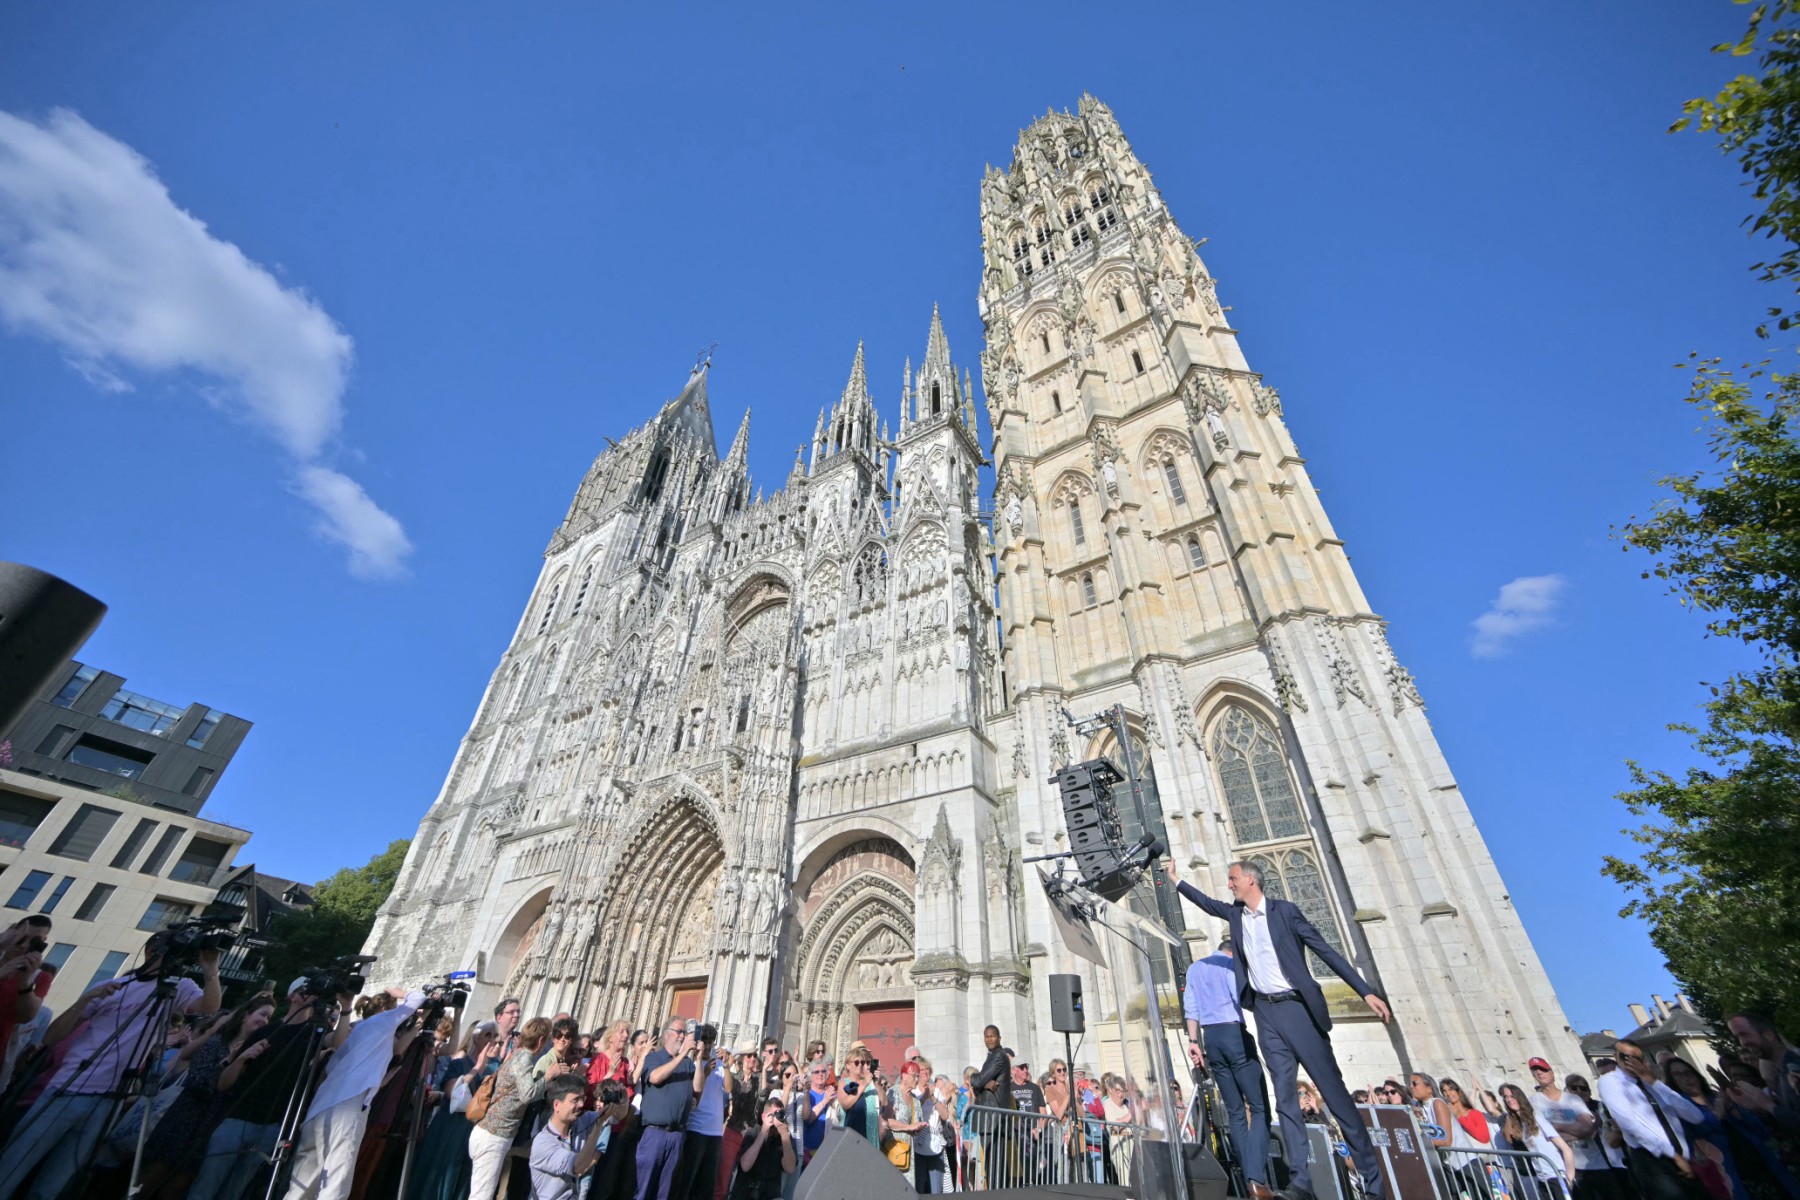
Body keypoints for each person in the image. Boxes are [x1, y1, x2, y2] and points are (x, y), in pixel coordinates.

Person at [1166, 857, 1391, 1200]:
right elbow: (1209, 905)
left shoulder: (1285, 912)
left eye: (1233, 879)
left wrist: (1365, 990)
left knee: (1334, 1095)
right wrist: (1176, 881)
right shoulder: (1237, 917)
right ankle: (1301, 1184)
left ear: (1251, 881)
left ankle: (1373, 1186)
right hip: (1266, 1015)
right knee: (1285, 1098)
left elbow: (1324, 949)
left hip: (1296, 1008)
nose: (1229, 884)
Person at [0, 927, 223, 1200]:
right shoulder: (113, 987)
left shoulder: (177, 988)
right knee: (14, 1165)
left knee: (56, 1181)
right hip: (70, 1086)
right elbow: (52, 1036)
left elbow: (210, 1007)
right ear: (153, 951)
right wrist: (84, 1002)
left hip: (111, 1097)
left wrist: (211, 971)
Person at [281, 985, 426, 1200]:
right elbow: (418, 999)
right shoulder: (382, 1022)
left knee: (301, 1186)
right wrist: (399, 993)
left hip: (320, 1108)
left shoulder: (355, 1029)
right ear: (386, 1009)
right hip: (347, 1108)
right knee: (335, 1182)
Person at [138, 992, 277, 1200]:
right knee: (156, 1170)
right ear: (246, 1014)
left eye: (269, 1018)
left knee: (182, 1181)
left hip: (214, 1123)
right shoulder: (218, 1043)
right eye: (263, 1014)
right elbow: (198, 1078)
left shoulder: (256, 1052)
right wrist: (230, 1062)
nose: (265, 1021)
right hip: (188, 1114)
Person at [1184, 934, 1272, 1198]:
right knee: (1258, 1108)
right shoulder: (1229, 966)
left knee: (1235, 1112)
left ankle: (1249, 1182)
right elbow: (1242, 997)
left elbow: (1191, 1007)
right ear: (1233, 952)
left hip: (1211, 1038)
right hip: (1233, 1034)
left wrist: (1193, 1041)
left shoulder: (1196, 967)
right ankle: (1256, 1177)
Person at [1598, 1037, 1710, 1200]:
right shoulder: (1610, 1081)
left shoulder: (1651, 1082)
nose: (1630, 1062)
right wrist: (1673, 1155)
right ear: (1616, 1057)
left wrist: (1652, 1080)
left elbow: (1695, 1116)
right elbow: (1629, 1125)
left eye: (1635, 1058)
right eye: (1624, 1057)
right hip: (1653, 1158)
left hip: (1684, 1157)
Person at [407, 1021, 500, 1200]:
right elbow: (452, 1092)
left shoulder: (495, 1067)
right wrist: (477, 1068)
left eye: (495, 1036)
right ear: (476, 1037)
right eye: (487, 1035)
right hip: (450, 1127)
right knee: (439, 1175)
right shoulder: (460, 1063)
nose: (492, 1040)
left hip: (473, 1130)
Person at [471, 1016, 553, 1200]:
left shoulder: (517, 1054)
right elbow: (527, 1094)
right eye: (547, 1039)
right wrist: (547, 1078)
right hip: (494, 1134)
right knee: (481, 1195)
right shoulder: (523, 1058)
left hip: (491, 1131)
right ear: (541, 1040)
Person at [637, 1017, 704, 1200]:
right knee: (644, 1188)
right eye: (679, 1032)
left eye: (685, 1033)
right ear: (667, 1034)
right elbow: (655, 1078)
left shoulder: (687, 1064)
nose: (683, 1036)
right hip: (654, 1134)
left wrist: (697, 1059)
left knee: (665, 1192)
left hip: (676, 1135)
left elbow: (698, 1089)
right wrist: (682, 1054)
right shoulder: (654, 1057)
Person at [531, 1074, 616, 1200]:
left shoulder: (580, 1122)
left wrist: (621, 1095)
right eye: (575, 1100)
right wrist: (597, 1127)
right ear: (556, 1105)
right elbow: (577, 1166)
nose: (581, 1104)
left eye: (583, 1098)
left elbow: (618, 1115)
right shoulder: (543, 1143)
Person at [672, 1027, 728, 1200]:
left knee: (707, 1184)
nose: (708, 1049)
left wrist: (726, 1065)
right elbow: (695, 1092)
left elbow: (729, 1088)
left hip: (715, 1131)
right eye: (705, 1044)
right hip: (696, 1128)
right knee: (687, 1180)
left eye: (711, 1044)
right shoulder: (692, 1064)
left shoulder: (719, 1064)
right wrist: (705, 1071)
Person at [1561, 1073, 1637, 1200]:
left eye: (1583, 1088)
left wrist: (1601, 1125)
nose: (1579, 1091)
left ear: (1590, 1092)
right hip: (1586, 1168)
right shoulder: (1566, 1113)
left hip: (1615, 1164)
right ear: (1567, 1091)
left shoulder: (1601, 1107)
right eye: (1574, 1088)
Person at [1725, 1013, 1800, 1137]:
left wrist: (1767, 1105)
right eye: (1738, 1037)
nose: (1742, 1043)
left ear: (1768, 1035)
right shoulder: (1779, 1073)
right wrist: (1760, 1107)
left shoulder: (1794, 1067)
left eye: (1745, 1035)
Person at [1500, 1082, 1577, 1199]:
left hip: (1556, 1176)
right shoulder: (1523, 1125)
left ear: (1519, 1097)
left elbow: (1566, 1149)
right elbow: (1508, 1137)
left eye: (1512, 1096)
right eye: (1506, 1097)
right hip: (1542, 1179)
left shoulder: (1537, 1118)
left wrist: (1570, 1179)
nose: (1509, 1100)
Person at [729, 1092, 795, 1200]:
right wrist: (763, 1132)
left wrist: (784, 1135)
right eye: (774, 1114)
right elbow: (745, 1166)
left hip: (770, 1194)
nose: (777, 1118)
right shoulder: (753, 1133)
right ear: (764, 1116)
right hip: (745, 1192)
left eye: (781, 1114)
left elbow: (790, 1168)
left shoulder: (784, 1139)